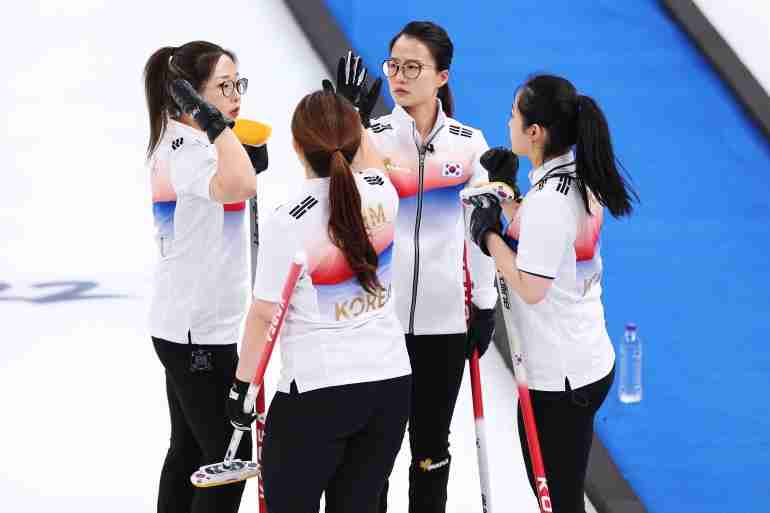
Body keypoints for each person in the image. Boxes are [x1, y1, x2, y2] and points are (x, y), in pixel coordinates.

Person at [323, 21, 499, 513]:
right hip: (381, 323)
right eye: (393, 65)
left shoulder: (470, 145)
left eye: (413, 67)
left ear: (442, 76)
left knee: (431, 453)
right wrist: (347, 123)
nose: (399, 76)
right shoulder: (372, 137)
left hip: (445, 325)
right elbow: (338, 206)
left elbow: (481, 231)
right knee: (373, 454)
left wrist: (484, 306)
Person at [227, 90, 412, 513]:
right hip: (389, 387)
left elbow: (263, 314)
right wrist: (355, 117)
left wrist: (242, 387)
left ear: (296, 147)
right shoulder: (383, 190)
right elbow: (366, 159)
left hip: (317, 394)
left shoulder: (288, 218)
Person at [468, 74, 638, 513]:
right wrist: (509, 197)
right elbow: (550, 242)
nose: (507, 123)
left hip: (559, 380)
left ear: (535, 132)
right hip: (588, 359)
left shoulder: (549, 202)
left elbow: (531, 287)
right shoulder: (580, 176)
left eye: (512, 116)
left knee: (558, 501)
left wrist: (488, 237)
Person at [144, 40, 266, 513]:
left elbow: (233, 183)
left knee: (191, 450)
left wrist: (230, 141)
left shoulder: (192, 143)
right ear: (191, 98)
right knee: (229, 460)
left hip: (189, 325)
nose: (236, 95)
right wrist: (222, 133)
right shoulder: (189, 150)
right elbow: (240, 184)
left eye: (239, 83)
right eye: (223, 87)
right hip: (197, 333)